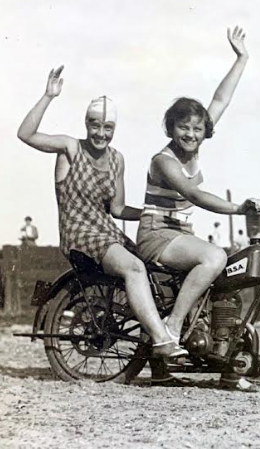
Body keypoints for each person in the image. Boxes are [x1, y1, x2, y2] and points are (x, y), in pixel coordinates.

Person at [16, 66, 185, 360]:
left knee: (160, 268)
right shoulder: (70, 148)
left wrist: (151, 213)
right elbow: (25, 134)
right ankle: (161, 340)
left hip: (107, 232)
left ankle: (160, 354)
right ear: (86, 124)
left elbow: (117, 209)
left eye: (108, 128)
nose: (101, 133)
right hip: (79, 233)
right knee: (134, 268)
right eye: (95, 126)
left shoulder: (117, 159)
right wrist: (48, 96)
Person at [135, 26, 260, 389]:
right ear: (171, 128)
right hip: (157, 233)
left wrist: (242, 58)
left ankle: (210, 356)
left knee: (225, 276)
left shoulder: (197, 141)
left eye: (196, 128)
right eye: (183, 127)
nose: (191, 134)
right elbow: (193, 195)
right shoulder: (164, 160)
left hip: (180, 234)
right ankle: (171, 329)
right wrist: (238, 208)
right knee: (214, 257)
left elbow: (219, 101)